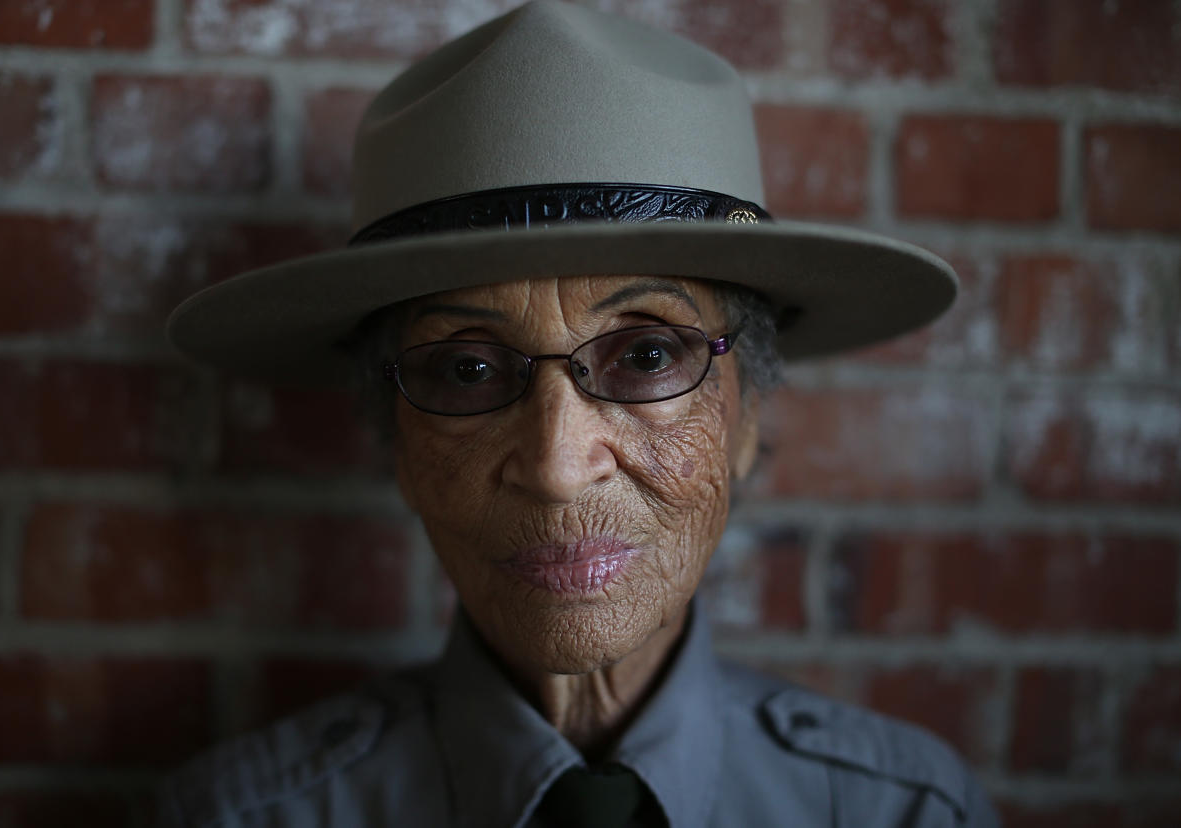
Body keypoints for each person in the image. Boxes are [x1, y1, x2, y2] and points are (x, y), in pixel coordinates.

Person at [161, 2, 998, 826]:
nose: (559, 468)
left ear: (746, 421)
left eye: (646, 356)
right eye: (467, 368)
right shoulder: (250, 817)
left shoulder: (901, 811)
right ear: (399, 447)